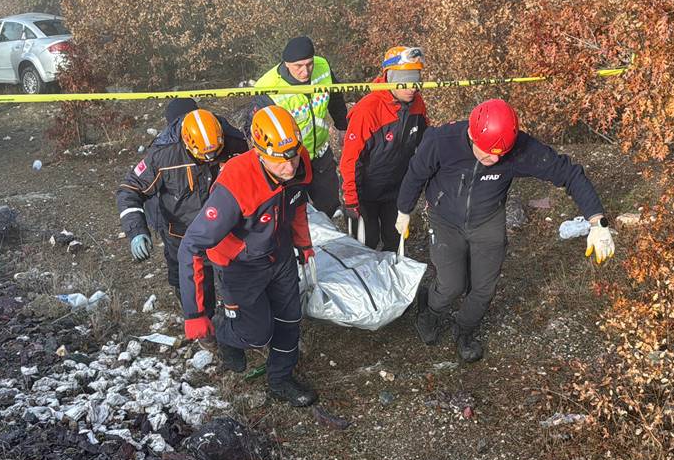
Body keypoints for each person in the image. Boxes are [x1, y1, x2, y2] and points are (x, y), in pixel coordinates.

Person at [396, 99, 615, 362]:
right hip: (445, 219)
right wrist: (403, 210)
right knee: (452, 283)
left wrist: (597, 222)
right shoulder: (441, 141)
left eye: (502, 153)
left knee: (483, 288)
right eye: (488, 152)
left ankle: (464, 330)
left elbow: (569, 173)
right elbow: (415, 174)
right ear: (471, 135)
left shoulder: (519, 150)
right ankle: (430, 311)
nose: (496, 158)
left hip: (488, 219)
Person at [178, 105, 318, 407]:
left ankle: (279, 379)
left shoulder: (299, 160)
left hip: (277, 253)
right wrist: (194, 313)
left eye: (293, 155)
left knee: (290, 320)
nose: (290, 166)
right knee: (256, 335)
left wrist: (303, 244)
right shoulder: (236, 184)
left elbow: (297, 206)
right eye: (280, 160)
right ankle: (226, 331)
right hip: (239, 263)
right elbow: (191, 245)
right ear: (259, 151)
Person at [116, 99, 248, 314]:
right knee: (190, 283)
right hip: (181, 233)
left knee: (237, 281)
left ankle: (237, 323)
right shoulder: (163, 155)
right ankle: (201, 324)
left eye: (215, 153)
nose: (210, 159)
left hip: (226, 229)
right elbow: (129, 189)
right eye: (204, 156)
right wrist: (136, 230)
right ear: (187, 143)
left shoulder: (234, 142)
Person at [339, 46, 429, 251]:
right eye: (406, 80)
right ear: (390, 78)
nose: (412, 87)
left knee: (395, 241)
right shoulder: (367, 110)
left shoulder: (417, 105)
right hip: (364, 194)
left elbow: (425, 146)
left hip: (396, 190)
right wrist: (351, 200)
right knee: (364, 246)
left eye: (416, 80)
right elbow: (350, 160)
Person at [252, 36, 348, 218]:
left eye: (309, 64)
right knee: (293, 214)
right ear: (287, 64)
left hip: (320, 153)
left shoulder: (323, 67)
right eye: (298, 66)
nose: (305, 71)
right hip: (289, 160)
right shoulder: (267, 87)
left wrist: (342, 126)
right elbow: (260, 129)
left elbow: (335, 98)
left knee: (330, 209)